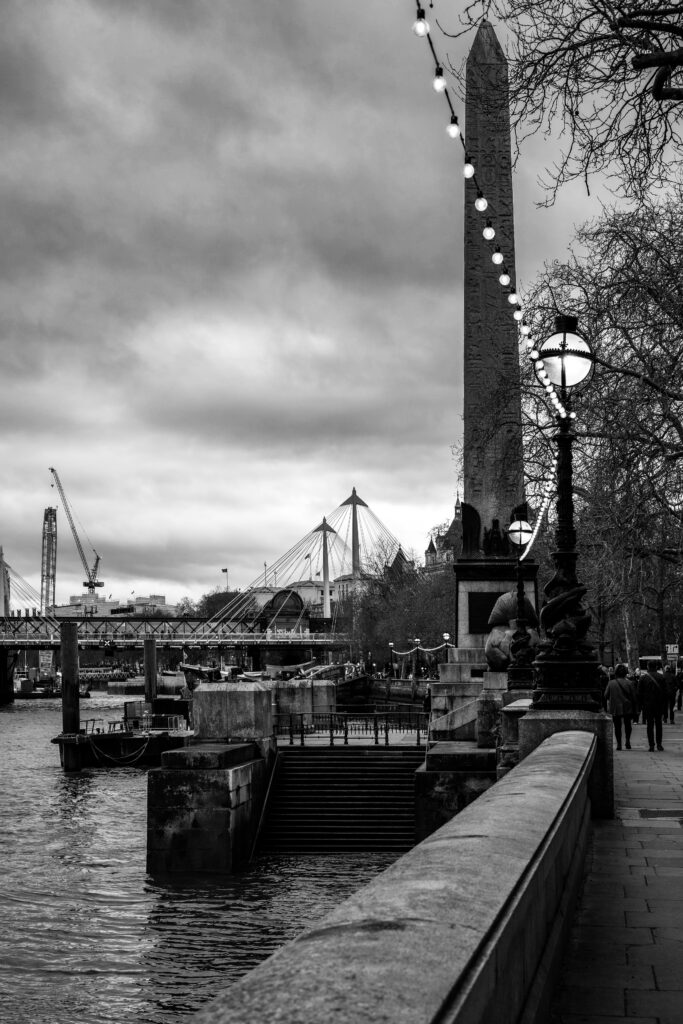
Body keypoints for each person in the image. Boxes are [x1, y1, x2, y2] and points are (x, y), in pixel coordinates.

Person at [604, 664, 636, 750]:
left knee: (617, 726)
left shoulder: (611, 683)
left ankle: (619, 744)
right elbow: (634, 697)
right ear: (626, 673)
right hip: (627, 706)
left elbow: (605, 696)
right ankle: (627, 741)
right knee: (628, 725)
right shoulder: (630, 683)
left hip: (615, 707)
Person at [637, 661, 668, 752]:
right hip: (659, 704)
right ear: (656, 667)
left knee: (649, 725)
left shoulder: (643, 678)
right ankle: (659, 744)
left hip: (647, 705)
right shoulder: (661, 677)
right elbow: (665, 693)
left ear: (647, 666)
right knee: (659, 724)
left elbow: (639, 693)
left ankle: (651, 745)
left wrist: (640, 706)